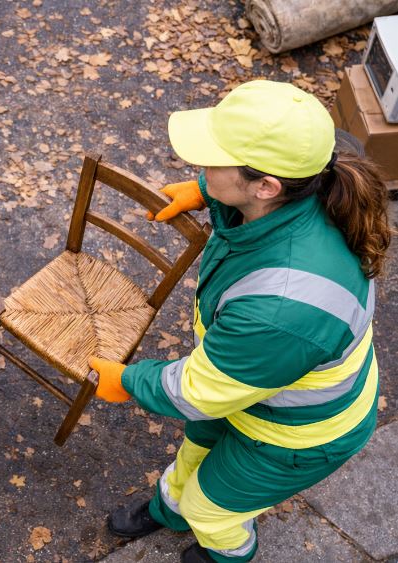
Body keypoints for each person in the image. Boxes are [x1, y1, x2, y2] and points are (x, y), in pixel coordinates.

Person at [89, 80, 392, 562]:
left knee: (213, 510)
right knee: (195, 450)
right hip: (253, 383)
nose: (200, 167)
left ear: (265, 185)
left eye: (212, 163)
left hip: (297, 431)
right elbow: (216, 392)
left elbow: (198, 392)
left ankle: (224, 553)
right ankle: (170, 510)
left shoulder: (283, 309)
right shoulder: (301, 190)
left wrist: (128, 380)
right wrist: (210, 194)